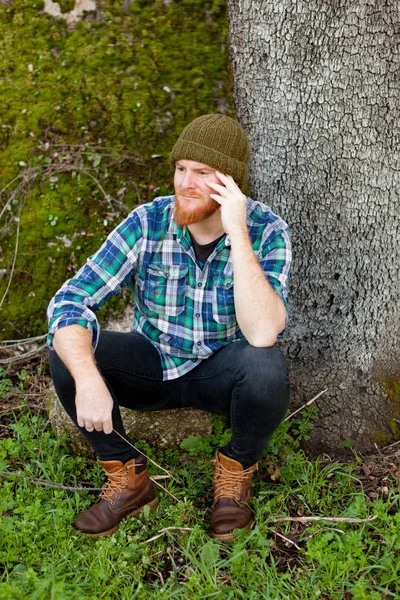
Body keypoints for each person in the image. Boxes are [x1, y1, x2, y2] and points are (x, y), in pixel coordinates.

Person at [47, 114, 291, 542]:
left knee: (266, 366)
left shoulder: (267, 231)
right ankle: (129, 479)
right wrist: (88, 378)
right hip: (152, 362)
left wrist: (237, 233)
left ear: (231, 182)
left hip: (220, 374)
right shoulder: (148, 221)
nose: (185, 182)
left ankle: (233, 480)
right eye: (181, 169)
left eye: (202, 173)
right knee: (68, 350)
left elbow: (263, 332)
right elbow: (70, 300)